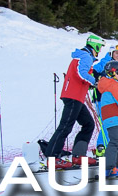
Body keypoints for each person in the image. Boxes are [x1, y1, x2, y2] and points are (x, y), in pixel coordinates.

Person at [42, 34, 105, 169]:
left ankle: (78, 156)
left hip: (77, 97)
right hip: (73, 96)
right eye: (100, 48)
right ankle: (53, 158)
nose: (99, 51)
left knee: (88, 124)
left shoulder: (84, 56)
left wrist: (91, 83)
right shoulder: (86, 56)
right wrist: (94, 82)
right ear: (96, 46)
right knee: (65, 126)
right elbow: (81, 73)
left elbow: (82, 75)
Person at [91, 44, 118, 158]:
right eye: (116, 53)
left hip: (109, 98)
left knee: (109, 122)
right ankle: (101, 148)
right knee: (107, 122)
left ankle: (106, 148)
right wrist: (95, 82)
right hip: (101, 97)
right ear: (111, 53)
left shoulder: (114, 64)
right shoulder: (106, 62)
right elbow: (92, 72)